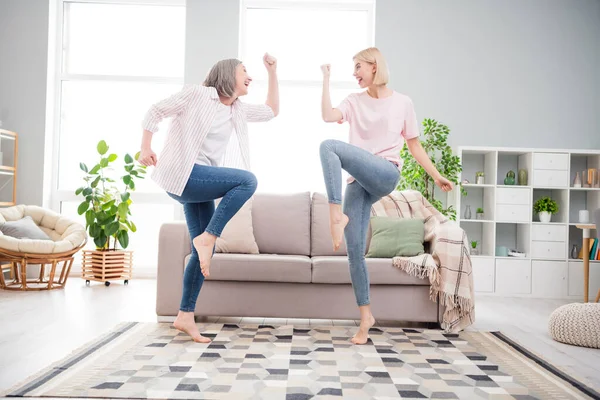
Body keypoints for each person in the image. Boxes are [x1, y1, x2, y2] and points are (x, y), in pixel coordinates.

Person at [138, 54, 279, 343]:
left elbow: (271, 111)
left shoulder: (236, 110)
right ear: (228, 74)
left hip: (200, 181)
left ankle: (184, 316)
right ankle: (210, 236)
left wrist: (272, 72)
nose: (249, 76)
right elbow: (154, 111)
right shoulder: (197, 95)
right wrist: (145, 148)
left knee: (202, 251)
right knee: (247, 180)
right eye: (244, 71)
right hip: (183, 174)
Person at [319, 47, 452, 344]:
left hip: (385, 173)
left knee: (329, 146)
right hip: (359, 182)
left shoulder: (403, 103)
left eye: (358, 67)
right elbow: (329, 115)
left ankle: (334, 214)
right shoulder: (354, 102)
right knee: (354, 250)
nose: (354, 74)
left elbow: (414, 146)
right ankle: (366, 317)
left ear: (374, 66)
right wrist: (326, 79)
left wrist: (436, 175)